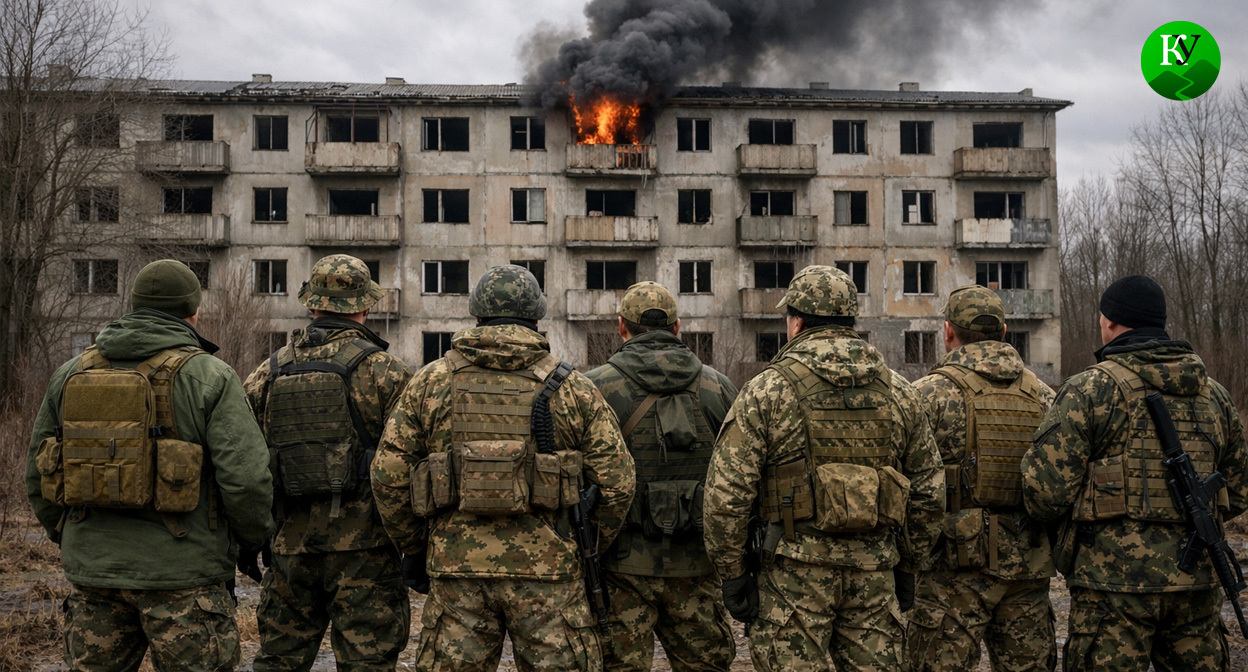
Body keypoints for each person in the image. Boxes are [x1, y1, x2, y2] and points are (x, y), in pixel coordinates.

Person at [370, 264, 635, 671]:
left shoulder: (431, 382)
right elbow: (617, 481)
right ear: (536, 317)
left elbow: (388, 475)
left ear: (476, 316)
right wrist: (583, 546)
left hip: (456, 573)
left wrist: (418, 545)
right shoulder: (572, 387)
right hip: (550, 575)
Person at [26, 259, 274, 671]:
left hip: (94, 579)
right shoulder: (209, 376)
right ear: (192, 312)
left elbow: (38, 475)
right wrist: (249, 541)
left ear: (134, 305)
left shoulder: (70, 373)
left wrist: (76, 538)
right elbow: (246, 482)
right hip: (185, 581)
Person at [702, 264, 944, 672]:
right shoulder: (899, 391)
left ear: (795, 321)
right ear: (851, 320)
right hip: (875, 573)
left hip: (792, 579)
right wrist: (908, 562)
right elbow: (930, 491)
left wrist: (732, 572)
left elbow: (726, 496)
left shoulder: (768, 389)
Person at [1022, 274, 1248, 672]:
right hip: (1196, 583)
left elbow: (1045, 493)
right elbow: (1239, 491)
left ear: (1109, 322)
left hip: (1112, 590)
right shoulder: (1215, 395)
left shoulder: (1089, 390)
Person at [244, 254, 413, 671]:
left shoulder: (268, 371)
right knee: (368, 664)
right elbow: (408, 465)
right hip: (366, 552)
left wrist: (250, 537)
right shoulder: (387, 372)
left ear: (311, 303)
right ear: (366, 305)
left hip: (289, 549)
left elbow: (244, 464)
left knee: (279, 662)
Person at [585, 281, 737, 672]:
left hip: (619, 568)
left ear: (622, 327)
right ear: (677, 327)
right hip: (697, 569)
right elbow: (738, 477)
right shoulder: (718, 387)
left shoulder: (594, 387)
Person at [907, 285, 1056, 672]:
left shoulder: (927, 395)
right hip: (1027, 566)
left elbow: (907, 484)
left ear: (948, 332)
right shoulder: (1045, 397)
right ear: (1004, 332)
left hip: (951, 570)